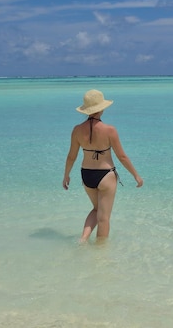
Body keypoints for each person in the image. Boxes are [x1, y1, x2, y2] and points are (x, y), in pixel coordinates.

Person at [62, 89, 144, 243]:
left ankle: (83, 239)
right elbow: (122, 156)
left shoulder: (77, 130)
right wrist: (136, 175)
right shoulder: (109, 130)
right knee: (104, 218)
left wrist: (66, 175)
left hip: (86, 174)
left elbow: (71, 156)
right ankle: (100, 255)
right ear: (101, 108)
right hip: (105, 175)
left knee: (96, 209)